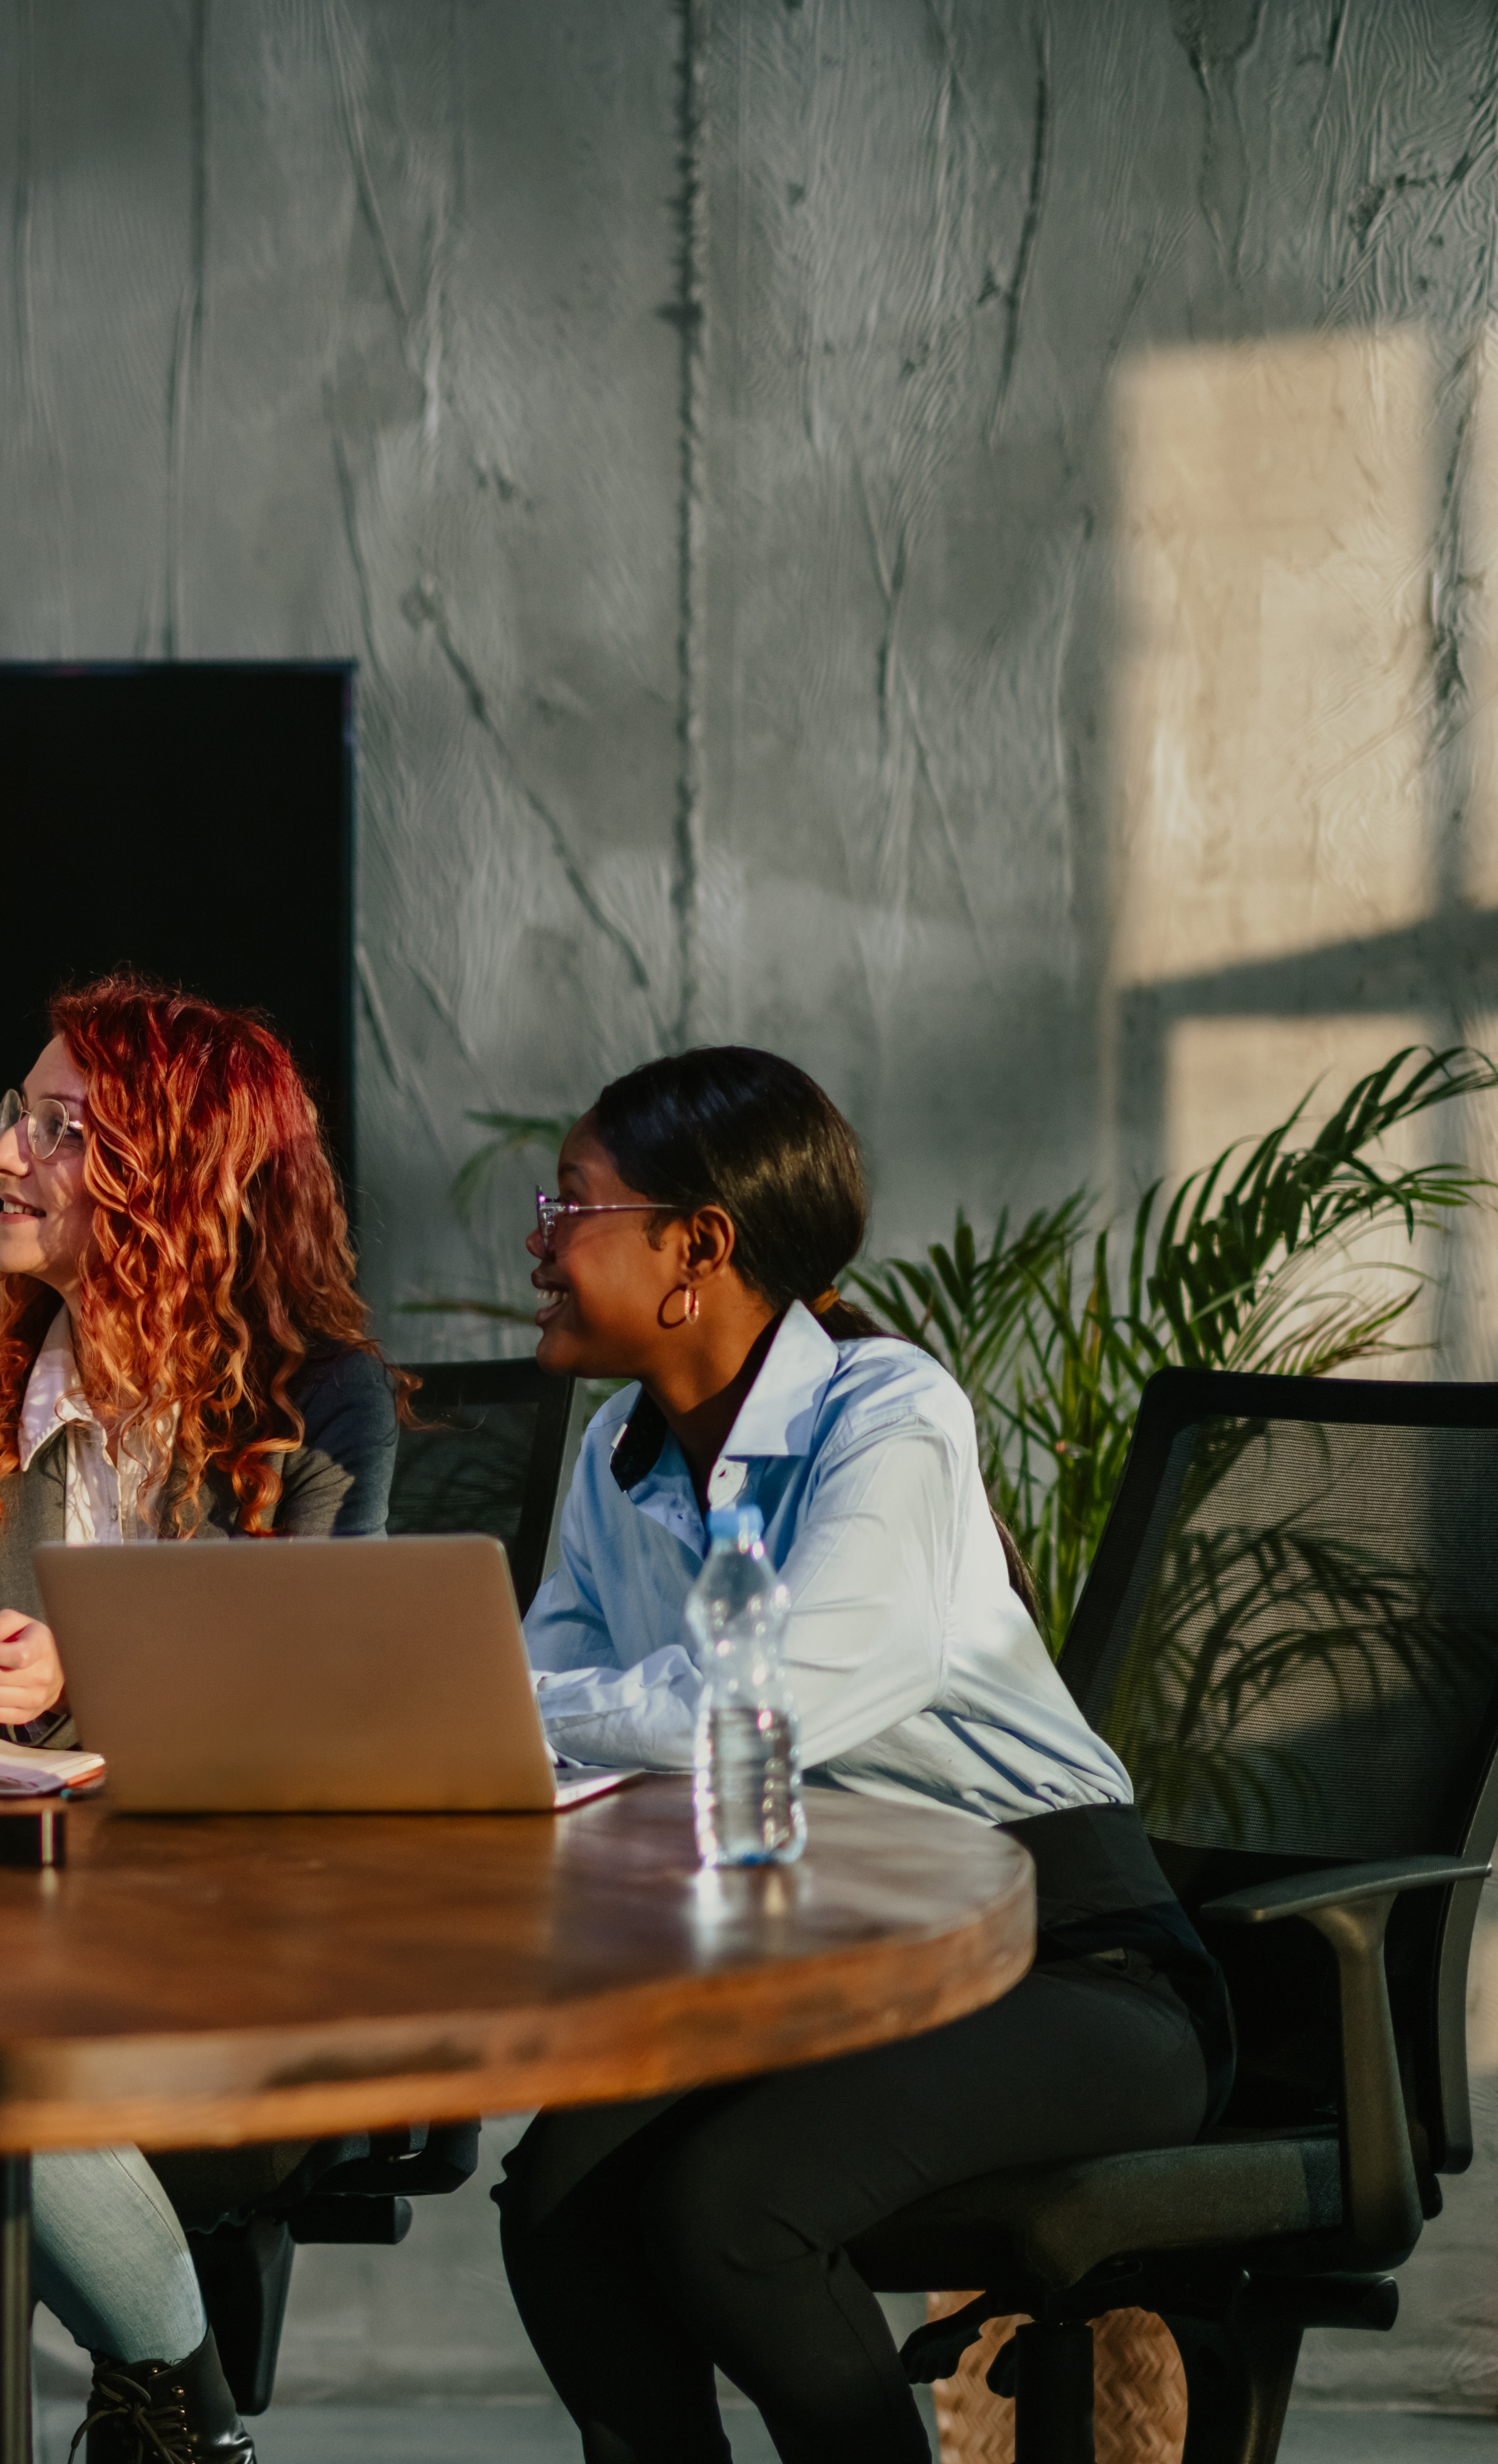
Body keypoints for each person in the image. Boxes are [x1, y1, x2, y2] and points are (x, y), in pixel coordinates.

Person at [499, 1047, 1231, 2464]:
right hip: (828, 1963)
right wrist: (526, 1714)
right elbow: (536, 1708)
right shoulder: (616, 1456)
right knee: (560, 2206)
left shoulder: (887, 1415)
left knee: (733, 2210)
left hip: (1068, 1964)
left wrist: (535, 1709)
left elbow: (748, 1711)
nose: (536, 1240)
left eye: (569, 1204)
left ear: (694, 1248)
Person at [0, 974, 401, 2464]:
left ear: (171, 1175)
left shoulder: (324, 1406)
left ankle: (183, 2420)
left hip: (219, 1934)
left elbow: (303, 1699)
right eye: (11, 1120)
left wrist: (77, 1688)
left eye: (56, 1129)